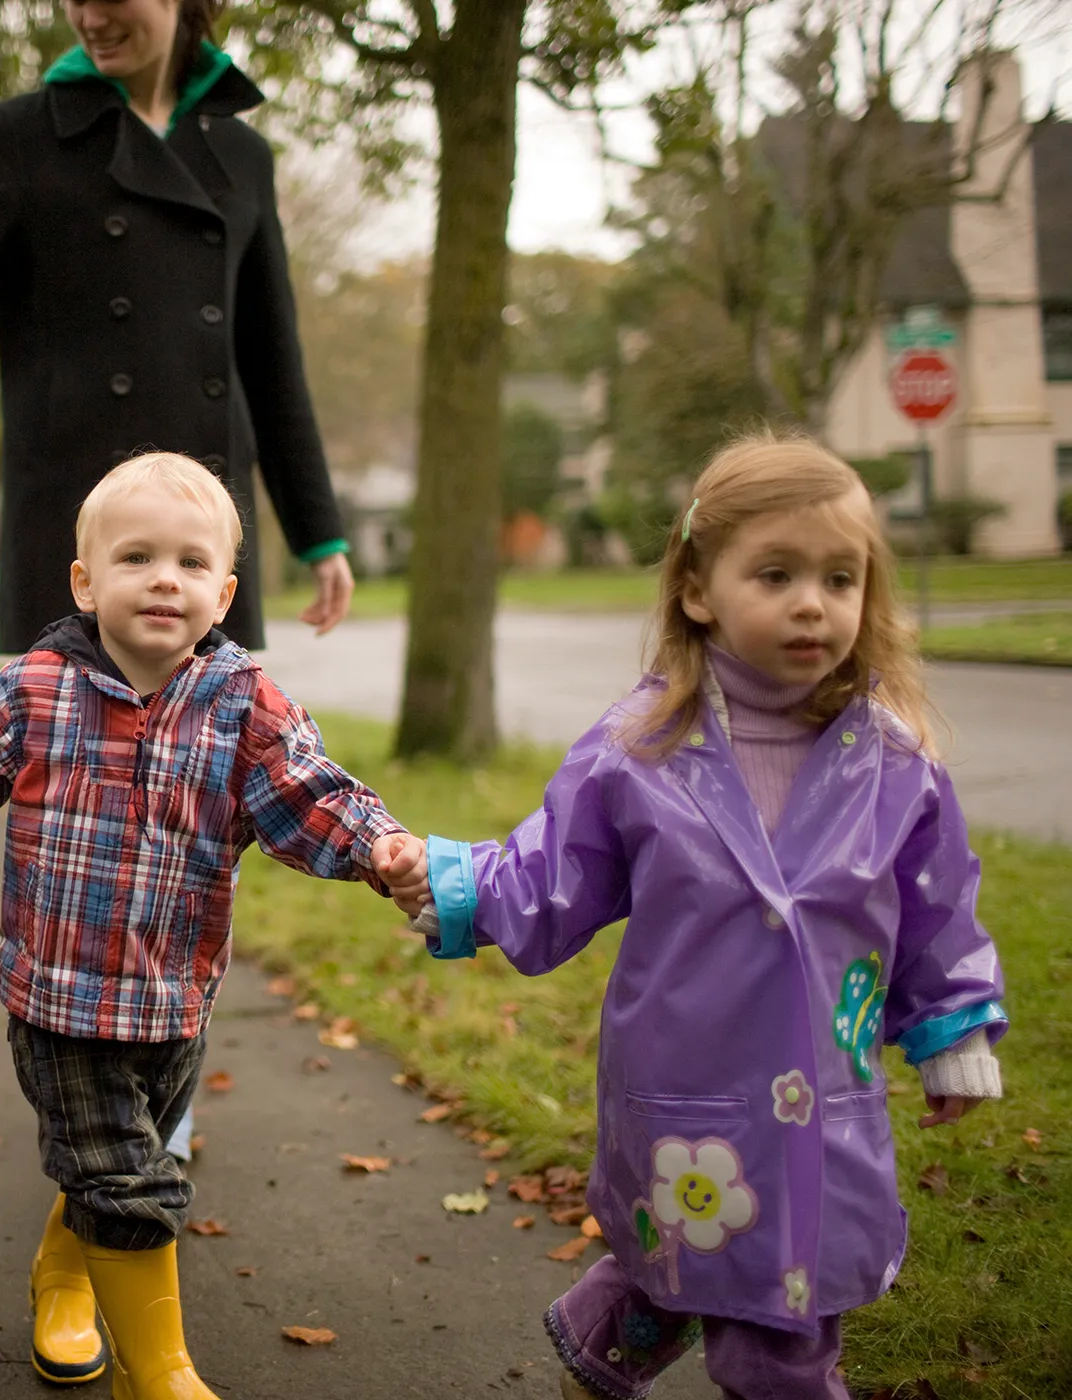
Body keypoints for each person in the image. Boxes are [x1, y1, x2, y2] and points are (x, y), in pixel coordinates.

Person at [393, 434, 1008, 1400]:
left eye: (840, 578)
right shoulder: (641, 750)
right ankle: (620, 1343)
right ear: (697, 587)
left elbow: (937, 906)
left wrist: (954, 1020)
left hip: (826, 1094)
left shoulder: (895, 764)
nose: (813, 602)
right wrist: (459, 892)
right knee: (693, 1245)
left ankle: (604, 1354)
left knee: (769, 1288)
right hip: (685, 1084)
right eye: (776, 573)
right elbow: (556, 868)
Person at [0, 455, 428, 1397]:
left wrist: (379, 847)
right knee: (131, 1182)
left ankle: (63, 1278)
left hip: (176, 999)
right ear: (86, 581)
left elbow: (306, 795)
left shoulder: (244, 704)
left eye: (190, 563)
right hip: (59, 1001)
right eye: (136, 557)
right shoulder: (35, 690)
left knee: (114, 1166)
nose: (164, 578)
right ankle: (160, 1374)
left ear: (225, 593)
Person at [0, 0, 357, 651]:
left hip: (198, 538)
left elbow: (271, 360)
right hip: (76, 534)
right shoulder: (20, 139)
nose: (90, 18)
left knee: (205, 749)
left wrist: (317, 532)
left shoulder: (243, 155)